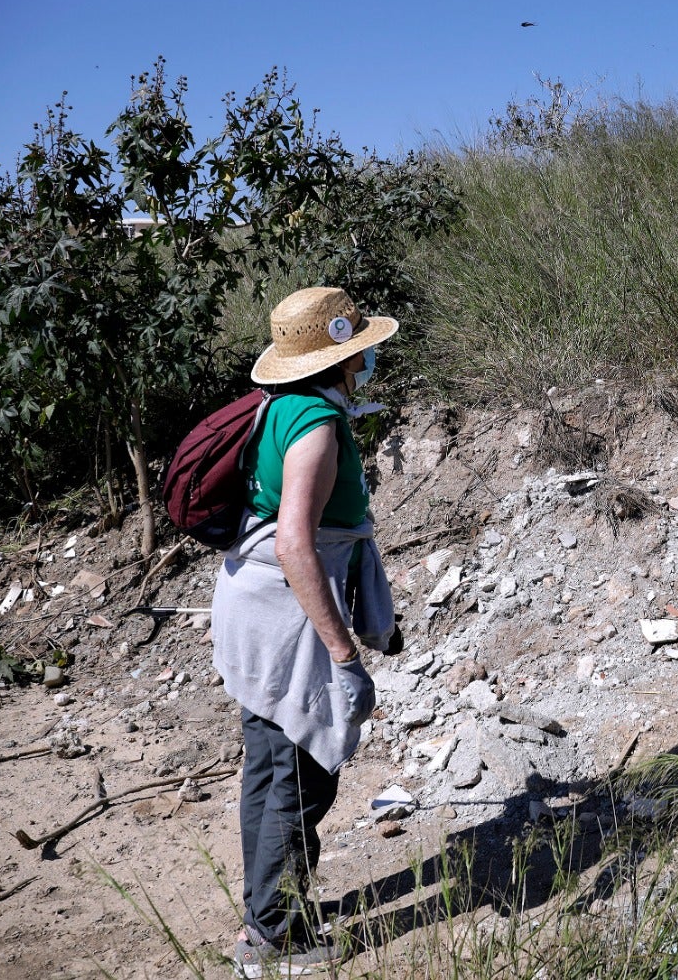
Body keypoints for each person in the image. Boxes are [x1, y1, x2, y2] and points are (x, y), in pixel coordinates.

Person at [211, 286, 403, 977]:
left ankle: (264, 918)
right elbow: (297, 543)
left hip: (256, 609)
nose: (371, 357)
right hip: (286, 621)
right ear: (343, 355)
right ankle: (275, 942)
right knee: (298, 778)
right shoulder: (316, 423)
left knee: (268, 771)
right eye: (362, 348)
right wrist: (343, 654)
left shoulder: (281, 408)